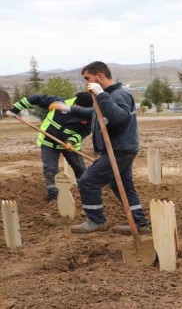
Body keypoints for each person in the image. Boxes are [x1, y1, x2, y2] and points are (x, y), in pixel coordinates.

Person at [50, 61, 150, 234]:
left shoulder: (119, 95)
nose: (86, 82)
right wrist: (68, 108)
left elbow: (119, 118)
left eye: (87, 78)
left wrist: (101, 95)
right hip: (121, 149)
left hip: (119, 149)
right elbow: (93, 113)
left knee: (87, 181)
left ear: (100, 76)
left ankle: (96, 220)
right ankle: (140, 224)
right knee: (122, 187)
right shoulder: (106, 96)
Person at [5, 92, 93, 203]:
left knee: (80, 169)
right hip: (48, 143)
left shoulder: (90, 114)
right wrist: (15, 109)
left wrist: (71, 141)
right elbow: (34, 97)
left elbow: (84, 132)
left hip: (70, 146)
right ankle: (53, 198)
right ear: (76, 102)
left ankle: (87, 193)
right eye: (80, 107)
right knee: (50, 171)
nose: (81, 110)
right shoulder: (58, 102)